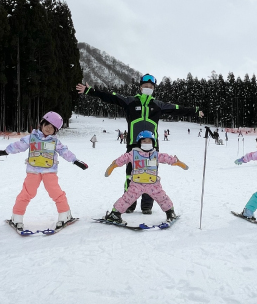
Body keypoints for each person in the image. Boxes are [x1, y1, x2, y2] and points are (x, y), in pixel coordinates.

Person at [76, 74, 203, 214]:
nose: (148, 88)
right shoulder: (130, 101)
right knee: (131, 175)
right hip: (133, 145)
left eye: (151, 86)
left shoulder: (158, 105)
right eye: (145, 86)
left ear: (154, 88)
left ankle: (147, 205)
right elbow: (112, 97)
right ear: (140, 87)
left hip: (152, 147)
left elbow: (178, 109)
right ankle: (129, 204)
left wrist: (196, 111)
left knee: (150, 175)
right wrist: (91, 91)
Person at [0, 112, 88, 231]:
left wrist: (75, 160)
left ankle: (65, 215)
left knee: (56, 192)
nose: (48, 129)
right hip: (33, 171)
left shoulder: (55, 142)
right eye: (47, 125)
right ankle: (16, 217)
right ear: (41, 124)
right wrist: (5, 151)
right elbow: (19, 145)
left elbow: (64, 152)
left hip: (49, 172)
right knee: (27, 193)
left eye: (52, 128)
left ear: (55, 130)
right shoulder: (32, 138)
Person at [103, 131, 187, 224]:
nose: (146, 143)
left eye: (149, 141)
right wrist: (113, 166)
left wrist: (177, 162)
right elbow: (122, 159)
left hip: (153, 184)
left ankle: (170, 213)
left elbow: (167, 158)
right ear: (139, 143)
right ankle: (115, 214)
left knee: (162, 197)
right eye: (144, 141)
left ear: (153, 143)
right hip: (136, 184)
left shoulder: (156, 154)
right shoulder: (133, 153)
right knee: (127, 198)